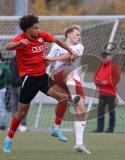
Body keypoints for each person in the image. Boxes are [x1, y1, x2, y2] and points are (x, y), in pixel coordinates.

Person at [2, 14, 78, 153]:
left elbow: (57, 40)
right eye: (35, 28)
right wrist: (19, 44)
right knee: (22, 112)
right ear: (27, 29)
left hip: (43, 77)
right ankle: (9, 139)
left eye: (38, 28)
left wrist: (70, 50)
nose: (38, 30)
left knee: (64, 98)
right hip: (29, 80)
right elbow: (8, 46)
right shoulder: (20, 39)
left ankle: (55, 129)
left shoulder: (41, 36)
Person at [46, 25, 90, 154]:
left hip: (73, 80)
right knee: (67, 70)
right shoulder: (56, 47)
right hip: (58, 76)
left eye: (79, 35)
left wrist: (53, 59)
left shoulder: (79, 46)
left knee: (81, 110)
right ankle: (73, 96)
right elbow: (46, 62)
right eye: (77, 34)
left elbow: (70, 57)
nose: (79, 37)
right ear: (69, 34)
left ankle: (79, 144)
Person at [93, 51, 120, 133]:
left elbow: (117, 78)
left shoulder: (114, 66)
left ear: (109, 57)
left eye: (105, 57)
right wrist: (97, 81)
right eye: (102, 57)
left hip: (111, 93)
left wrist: (107, 82)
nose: (104, 59)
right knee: (100, 111)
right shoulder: (100, 67)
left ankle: (111, 128)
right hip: (101, 93)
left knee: (111, 111)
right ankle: (99, 128)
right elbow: (95, 77)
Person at [8, 56, 27, 132]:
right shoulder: (12, 59)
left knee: (23, 106)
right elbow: (10, 71)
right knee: (13, 106)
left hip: (21, 86)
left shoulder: (24, 58)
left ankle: (23, 124)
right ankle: (15, 125)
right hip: (12, 86)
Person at [0, 52, 11, 130]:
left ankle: (3, 124)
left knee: (1, 106)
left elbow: (7, 77)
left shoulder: (3, 66)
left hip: (1, 89)